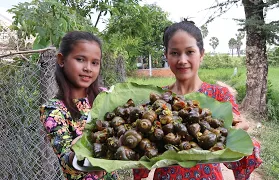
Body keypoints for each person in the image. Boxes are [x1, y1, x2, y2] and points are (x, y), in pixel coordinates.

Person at [133, 20, 262, 180]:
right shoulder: (158, 99)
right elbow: (141, 151)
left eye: (189, 52)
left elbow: (235, 139)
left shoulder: (219, 95)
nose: (182, 60)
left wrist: (238, 133)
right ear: (166, 55)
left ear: (201, 54)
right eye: (174, 53)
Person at [40, 31, 118, 180]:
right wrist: (78, 151)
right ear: (62, 60)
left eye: (94, 62)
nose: (88, 68)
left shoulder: (105, 96)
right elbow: (65, 161)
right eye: (80, 59)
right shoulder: (54, 110)